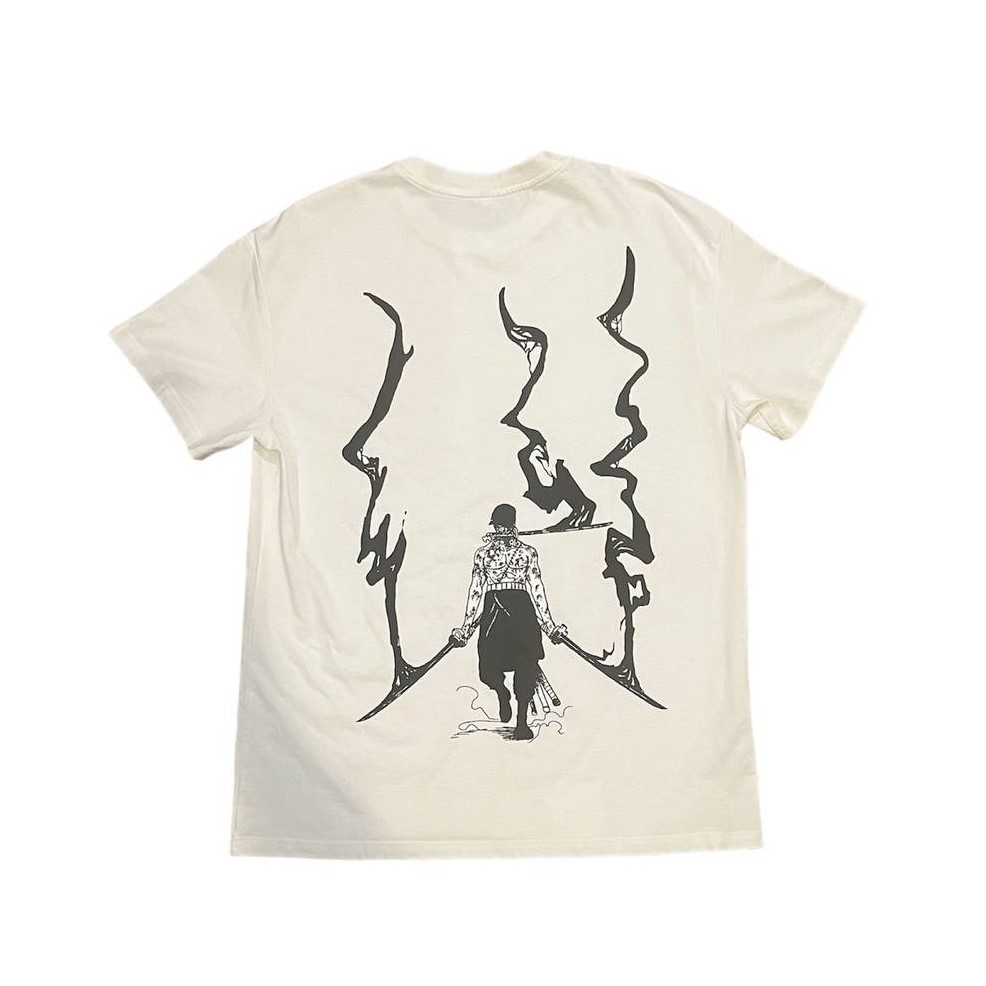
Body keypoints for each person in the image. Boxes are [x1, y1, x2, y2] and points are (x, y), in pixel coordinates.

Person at [450, 504, 567, 739]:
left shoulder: (528, 553)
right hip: (493, 612)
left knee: (526, 666)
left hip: (522, 613)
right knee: (487, 670)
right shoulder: (482, 554)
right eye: (497, 526)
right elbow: (475, 590)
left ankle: (522, 723)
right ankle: (502, 693)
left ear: (511, 526)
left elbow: (536, 588)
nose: (500, 529)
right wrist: (466, 628)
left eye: (503, 525)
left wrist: (549, 625)